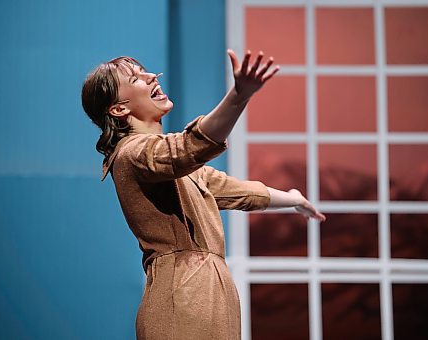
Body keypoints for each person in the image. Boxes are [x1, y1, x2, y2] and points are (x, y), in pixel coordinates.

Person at [81, 49, 325, 340]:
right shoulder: (133, 153)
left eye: (146, 71)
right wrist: (238, 96)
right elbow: (190, 147)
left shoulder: (171, 166)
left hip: (208, 293)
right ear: (119, 109)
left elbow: (238, 191)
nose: (151, 76)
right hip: (181, 296)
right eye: (136, 78)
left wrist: (293, 199)